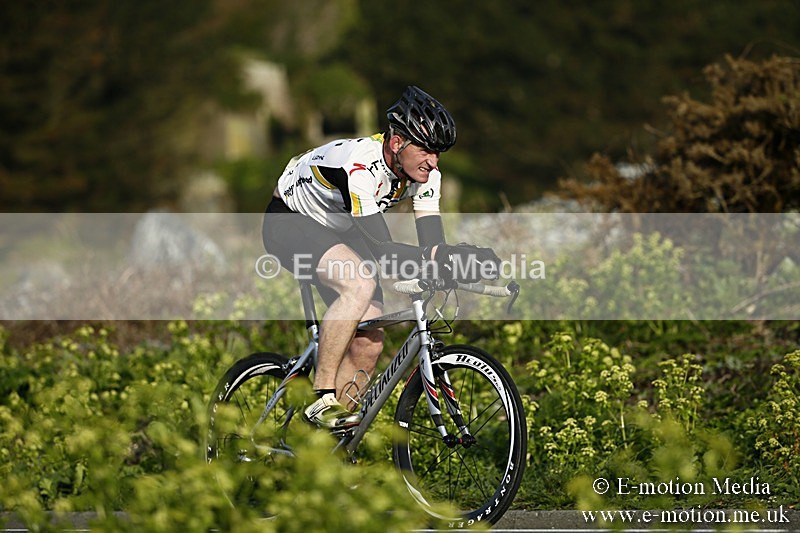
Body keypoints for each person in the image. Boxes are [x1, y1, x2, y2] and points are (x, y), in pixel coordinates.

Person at [262, 85, 498, 429]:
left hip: (339, 225)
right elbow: (384, 252)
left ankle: (327, 447)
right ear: (397, 142)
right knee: (358, 284)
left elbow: (431, 244)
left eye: (439, 153)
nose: (433, 162)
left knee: (369, 344)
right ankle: (321, 397)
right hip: (290, 218)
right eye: (427, 150)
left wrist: (455, 261)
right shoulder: (360, 167)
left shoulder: (426, 175)